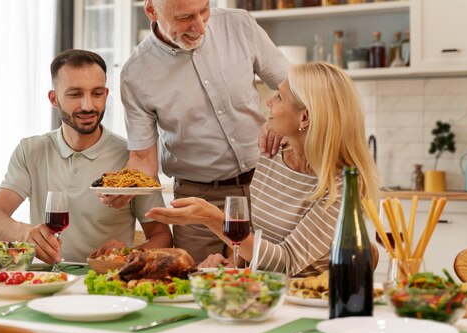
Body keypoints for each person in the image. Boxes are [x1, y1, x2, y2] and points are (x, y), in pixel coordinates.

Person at [103, 0, 290, 263]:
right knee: (198, 288)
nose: (200, 26)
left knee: (271, 279)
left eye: (204, 10)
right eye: (184, 17)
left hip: (266, 184)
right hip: (196, 200)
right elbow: (143, 159)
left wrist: (276, 121)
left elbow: (294, 88)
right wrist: (125, 187)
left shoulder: (239, 25)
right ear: (151, 9)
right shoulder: (136, 74)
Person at [146, 62, 380, 277]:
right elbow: (258, 235)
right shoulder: (273, 154)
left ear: (305, 117)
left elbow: (286, 262)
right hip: (261, 289)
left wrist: (213, 219)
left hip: (305, 298)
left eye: (279, 97)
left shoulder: (342, 186)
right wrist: (234, 262)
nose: (269, 102)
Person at [0, 49, 172, 263]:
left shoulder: (133, 159)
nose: (88, 105)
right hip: (47, 281)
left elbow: (162, 236)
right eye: (75, 94)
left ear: (106, 95)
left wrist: (129, 254)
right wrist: (25, 233)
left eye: (97, 93)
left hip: (106, 282)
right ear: (54, 99)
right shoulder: (31, 150)